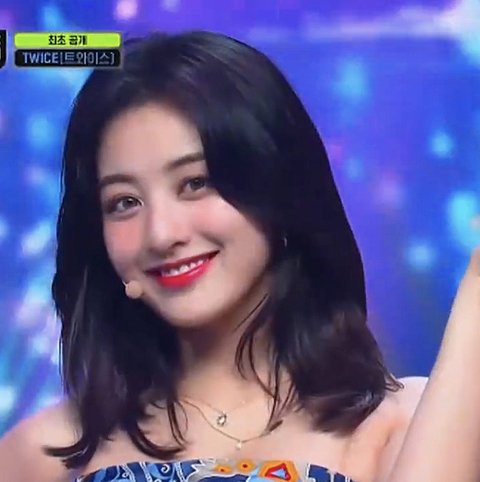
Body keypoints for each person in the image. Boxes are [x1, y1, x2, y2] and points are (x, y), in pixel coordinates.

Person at [0, 30, 479, 482]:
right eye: (124, 202)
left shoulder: (400, 424)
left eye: (195, 183)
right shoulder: (44, 453)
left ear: (277, 187)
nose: (161, 234)